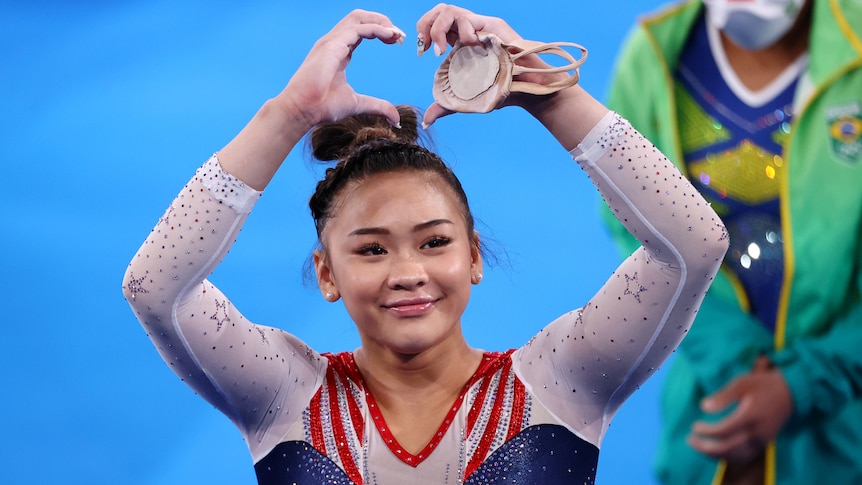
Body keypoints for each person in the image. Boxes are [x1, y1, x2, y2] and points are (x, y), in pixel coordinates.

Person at [122, 4, 727, 484]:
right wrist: (288, 114)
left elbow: (692, 246)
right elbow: (156, 289)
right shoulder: (284, 394)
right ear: (326, 273)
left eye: (434, 242)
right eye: (371, 250)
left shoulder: (560, 382)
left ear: (474, 258)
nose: (407, 272)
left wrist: (552, 94)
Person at [603, 0, 862, 484]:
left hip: (846, 433)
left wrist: (800, 385)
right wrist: (733, 359)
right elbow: (634, 230)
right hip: (707, 415)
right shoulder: (654, 56)